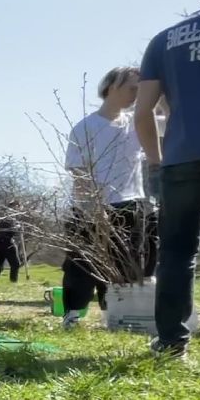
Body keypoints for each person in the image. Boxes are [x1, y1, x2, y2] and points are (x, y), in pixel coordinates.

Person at [137, 0, 200, 360]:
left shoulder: (164, 40)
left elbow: (143, 111)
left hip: (183, 156)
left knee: (177, 253)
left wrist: (155, 161)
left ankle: (171, 344)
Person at [62, 66, 146, 329]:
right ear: (111, 87)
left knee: (126, 264)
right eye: (132, 88)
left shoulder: (139, 122)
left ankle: (118, 316)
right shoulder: (86, 127)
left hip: (130, 202)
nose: (137, 94)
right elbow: (79, 171)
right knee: (82, 263)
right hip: (92, 206)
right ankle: (73, 314)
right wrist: (92, 208)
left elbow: (171, 116)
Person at [0, 204, 25, 282]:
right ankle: (13, 282)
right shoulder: (9, 218)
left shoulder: (2, 218)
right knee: (15, 264)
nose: (19, 210)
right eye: (18, 208)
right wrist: (17, 228)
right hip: (7, 243)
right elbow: (7, 230)